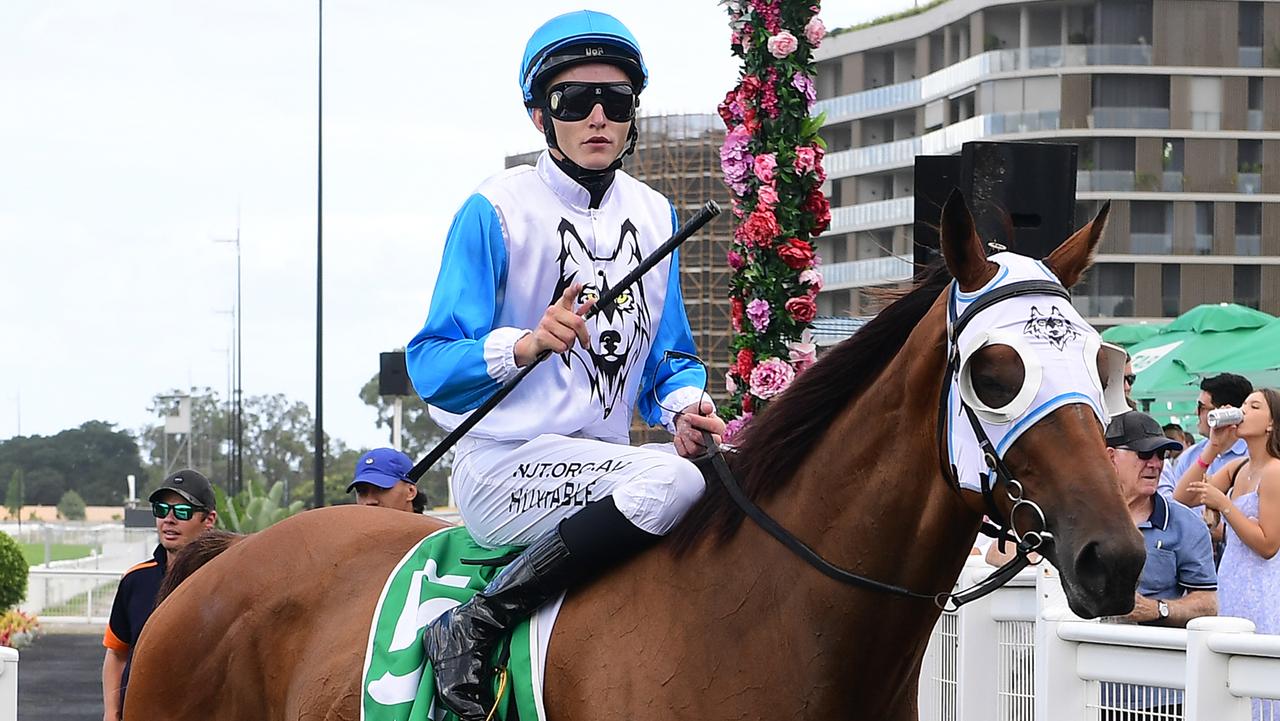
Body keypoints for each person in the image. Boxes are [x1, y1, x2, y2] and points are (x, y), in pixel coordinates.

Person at [404, 10, 724, 720]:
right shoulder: (493, 209)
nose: (599, 116)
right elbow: (429, 363)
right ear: (538, 114)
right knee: (673, 480)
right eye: (575, 101)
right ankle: (475, 622)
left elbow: (667, 359)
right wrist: (523, 343)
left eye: (617, 100)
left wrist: (684, 409)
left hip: (607, 472)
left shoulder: (658, 212)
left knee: (721, 475)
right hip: (503, 467)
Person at [1181, 388, 1280, 721]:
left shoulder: (1275, 472)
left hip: (1265, 586)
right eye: (1242, 405)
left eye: (1254, 406)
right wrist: (1212, 446)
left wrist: (1223, 504)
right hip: (1233, 579)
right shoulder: (1238, 467)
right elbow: (1183, 496)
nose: (1242, 411)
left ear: (1271, 424)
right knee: (1228, 670)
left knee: (1259, 675)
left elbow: (1268, 545)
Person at [102, 470, 217, 721]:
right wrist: (112, 714)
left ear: (209, 519)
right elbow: (117, 653)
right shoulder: (135, 580)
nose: (169, 519)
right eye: (161, 509)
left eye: (182, 512)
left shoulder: (225, 581)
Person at [1106, 412, 1218, 628]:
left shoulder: (1185, 524)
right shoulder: (1080, 516)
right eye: (1144, 453)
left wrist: (1158, 609)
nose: (1156, 464)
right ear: (1111, 457)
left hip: (1155, 653)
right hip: (1083, 648)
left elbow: (1208, 603)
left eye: (1161, 454)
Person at [1157, 373, 1253, 499]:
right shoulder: (1189, 457)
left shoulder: (1253, 454)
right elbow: (1179, 504)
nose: (1195, 412)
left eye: (1201, 407)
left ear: (1225, 413)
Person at [347, 447, 426, 513]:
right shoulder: (350, 531)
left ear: (410, 492)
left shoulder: (432, 531)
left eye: (380, 489)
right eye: (361, 491)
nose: (369, 501)